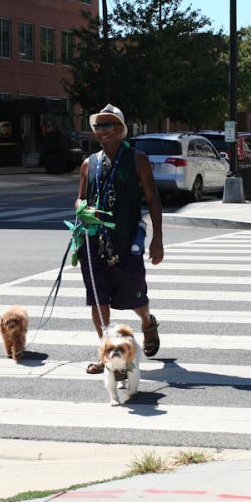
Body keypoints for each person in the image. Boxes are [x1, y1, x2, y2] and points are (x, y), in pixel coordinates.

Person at [75, 104, 163, 374]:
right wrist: (83, 209)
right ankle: (106, 354)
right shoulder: (89, 163)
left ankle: (147, 322)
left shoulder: (138, 159)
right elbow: (79, 199)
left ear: (120, 129)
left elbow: (153, 199)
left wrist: (157, 239)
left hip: (126, 242)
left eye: (108, 125)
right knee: (98, 300)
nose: (103, 130)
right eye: (98, 126)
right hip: (94, 243)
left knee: (135, 298)